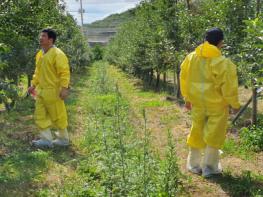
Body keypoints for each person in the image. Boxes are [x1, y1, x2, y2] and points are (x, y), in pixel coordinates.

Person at [180, 28, 240, 178]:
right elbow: (228, 86)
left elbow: (184, 78)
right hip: (217, 106)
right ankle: (210, 168)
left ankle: (193, 166)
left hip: (198, 104)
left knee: (196, 132)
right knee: (214, 136)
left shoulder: (191, 57)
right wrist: (234, 104)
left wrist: (187, 98)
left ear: (205, 40)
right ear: (221, 42)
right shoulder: (222, 62)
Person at [28, 28, 70, 148]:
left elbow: (64, 72)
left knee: (58, 116)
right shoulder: (40, 54)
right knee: (40, 115)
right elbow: (37, 72)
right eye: (40, 36)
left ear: (50, 39)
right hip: (41, 91)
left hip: (54, 91)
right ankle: (46, 140)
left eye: (44, 36)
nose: (40, 38)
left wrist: (64, 88)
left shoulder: (58, 54)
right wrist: (33, 85)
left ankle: (63, 139)